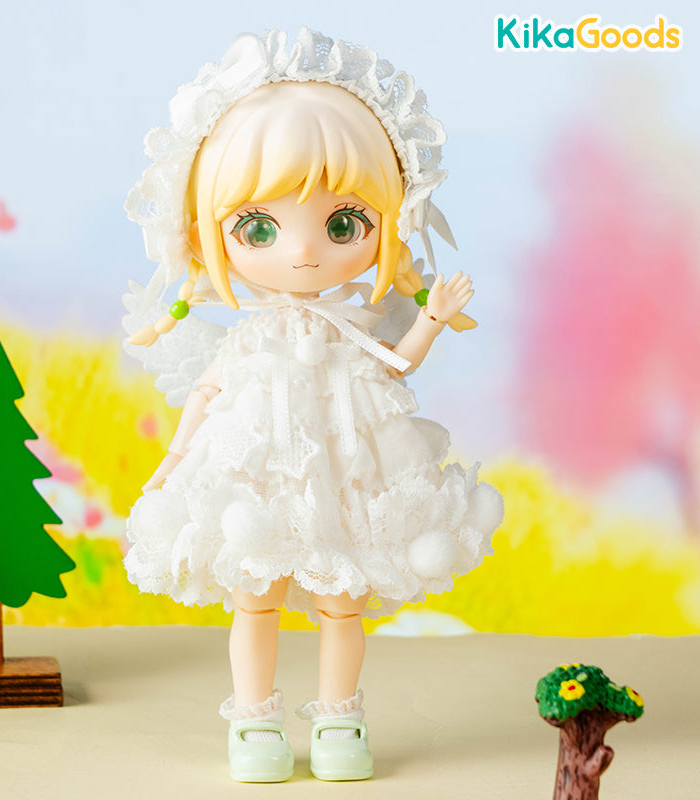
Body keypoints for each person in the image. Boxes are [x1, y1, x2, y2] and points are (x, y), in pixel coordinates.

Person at [122, 28, 503, 783]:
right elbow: (208, 394)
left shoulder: (347, 330)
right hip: (260, 485)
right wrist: (173, 461)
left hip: (345, 475)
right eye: (258, 227)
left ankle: (339, 717)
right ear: (205, 234)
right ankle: (254, 721)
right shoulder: (251, 338)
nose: (302, 252)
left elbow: (396, 363)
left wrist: (430, 318)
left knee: (343, 598)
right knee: (254, 596)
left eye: (342, 224)